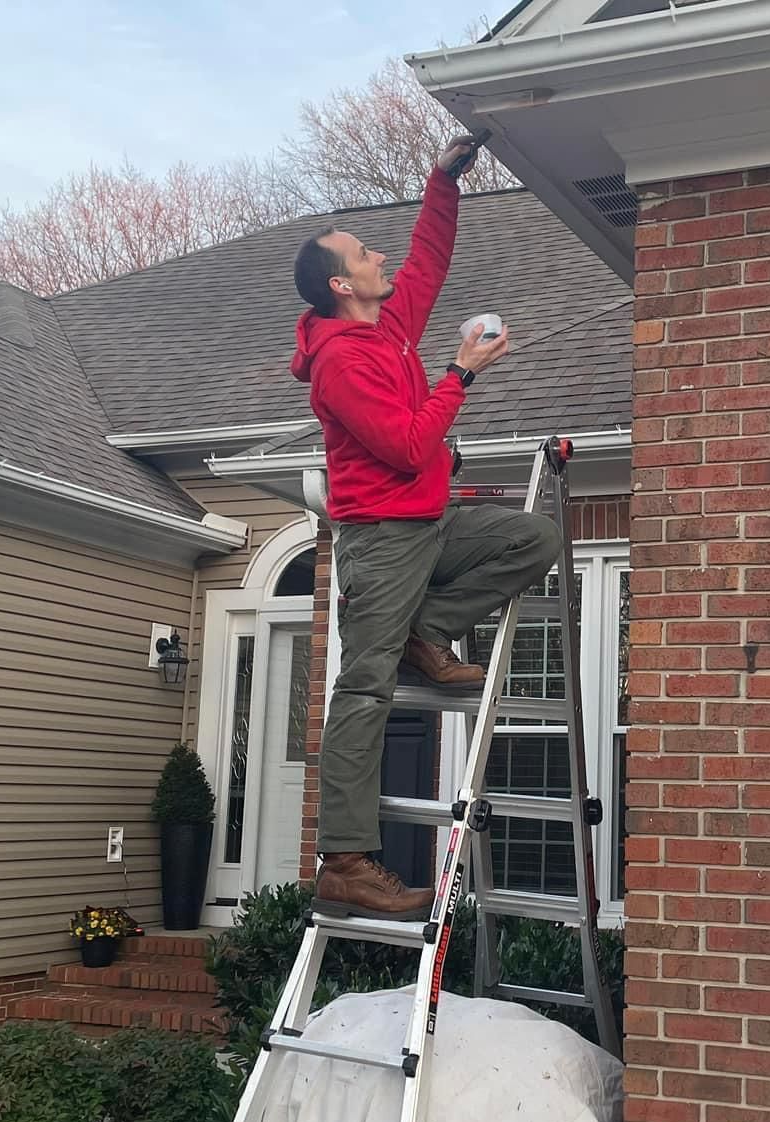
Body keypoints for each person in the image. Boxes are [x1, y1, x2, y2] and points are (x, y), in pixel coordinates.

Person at [288, 134, 561, 922]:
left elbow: (428, 260)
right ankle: (345, 860)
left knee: (531, 539)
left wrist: (442, 179)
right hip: (379, 538)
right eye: (366, 253)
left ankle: (427, 631)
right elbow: (409, 446)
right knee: (364, 690)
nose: (382, 258)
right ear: (342, 283)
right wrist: (461, 375)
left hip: (429, 523)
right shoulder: (344, 361)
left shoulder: (387, 325)